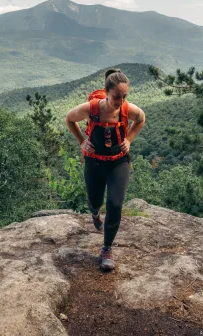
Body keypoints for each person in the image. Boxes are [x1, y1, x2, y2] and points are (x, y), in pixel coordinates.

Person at [65, 68, 146, 271]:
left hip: (119, 162)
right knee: (95, 200)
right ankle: (94, 213)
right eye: (116, 96)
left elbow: (141, 119)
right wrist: (82, 141)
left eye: (124, 96)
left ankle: (107, 248)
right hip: (94, 161)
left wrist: (129, 139)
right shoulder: (92, 108)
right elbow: (69, 119)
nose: (120, 101)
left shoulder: (128, 109)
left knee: (115, 204)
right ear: (106, 92)